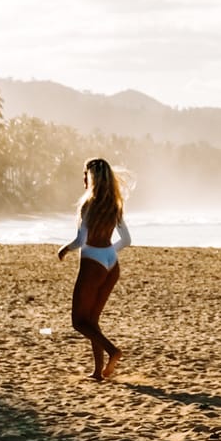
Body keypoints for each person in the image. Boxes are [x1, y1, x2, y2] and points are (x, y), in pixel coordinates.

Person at [58, 158, 130, 381]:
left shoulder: (88, 204)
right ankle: (98, 372)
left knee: (79, 322)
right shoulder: (114, 204)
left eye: (85, 174)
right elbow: (126, 240)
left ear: (91, 178)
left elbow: (81, 240)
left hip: (93, 264)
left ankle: (113, 351)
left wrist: (65, 249)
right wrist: (109, 252)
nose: (83, 178)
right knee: (92, 321)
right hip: (112, 264)